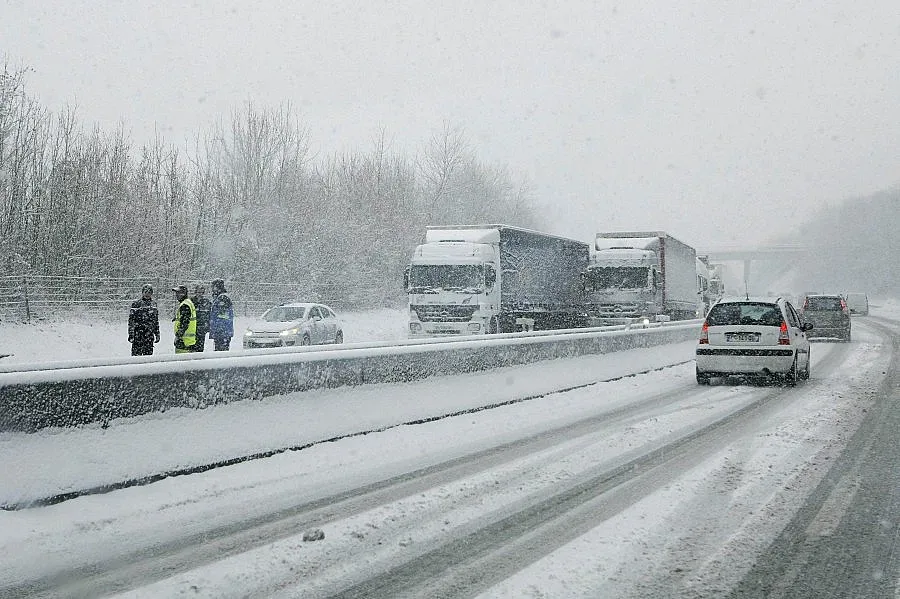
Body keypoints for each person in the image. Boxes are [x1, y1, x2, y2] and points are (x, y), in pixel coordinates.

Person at [128, 283, 160, 356]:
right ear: (142, 293)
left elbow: (155, 321)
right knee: (136, 357)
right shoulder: (136, 304)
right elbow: (131, 321)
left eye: (149, 292)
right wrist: (131, 334)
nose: (147, 294)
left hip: (149, 335)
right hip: (138, 335)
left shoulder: (154, 305)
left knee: (148, 357)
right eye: (145, 292)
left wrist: (157, 333)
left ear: (152, 293)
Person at [209, 278, 234, 351]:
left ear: (218, 287)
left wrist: (217, 329)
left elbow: (223, 316)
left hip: (222, 332)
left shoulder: (222, 298)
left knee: (221, 353)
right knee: (220, 352)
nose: (212, 289)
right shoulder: (220, 297)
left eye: (213, 287)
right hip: (222, 332)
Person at [171, 285, 197, 354]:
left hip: (183, 341)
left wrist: (178, 336)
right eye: (176, 293)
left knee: (180, 363)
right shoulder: (188, 302)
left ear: (183, 294)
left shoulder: (185, 305)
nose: (176, 295)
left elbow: (185, 323)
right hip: (189, 341)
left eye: (178, 293)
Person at [190, 284, 212, 352]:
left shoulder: (206, 302)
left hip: (202, 328)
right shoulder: (191, 301)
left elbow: (209, 315)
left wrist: (207, 326)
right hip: (192, 328)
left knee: (200, 346)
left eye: (201, 292)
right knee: (191, 346)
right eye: (198, 292)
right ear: (195, 292)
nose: (200, 294)